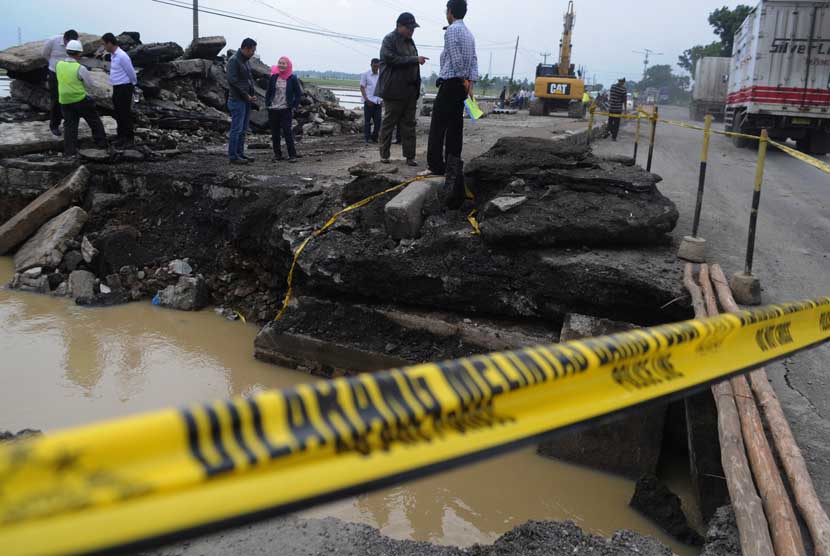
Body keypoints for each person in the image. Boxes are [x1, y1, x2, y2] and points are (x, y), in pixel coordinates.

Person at [426, 0, 478, 184]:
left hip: (451, 84)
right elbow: (473, 61)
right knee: (455, 127)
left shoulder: (452, 31)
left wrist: (462, 78)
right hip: (462, 86)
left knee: (438, 126)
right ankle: (453, 165)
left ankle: (436, 166)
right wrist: (469, 83)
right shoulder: (469, 34)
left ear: (450, 11)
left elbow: (456, 60)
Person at [375, 12, 428, 166]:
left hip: (410, 91)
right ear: (399, 26)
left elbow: (413, 65)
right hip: (393, 91)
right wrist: (414, 60)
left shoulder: (410, 42)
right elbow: (391, 59)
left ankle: (410, 156)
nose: (412, 31)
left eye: (413, 28)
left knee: (409, 125)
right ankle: (384, 155)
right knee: (389, 123)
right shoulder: (389, 40)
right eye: (409, 28)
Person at [56, 40, 108, 158]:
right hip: (79, 99)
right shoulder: (80, 68)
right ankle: (101, 143)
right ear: (79, 53)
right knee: (94, 120)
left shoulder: (58, 65)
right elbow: (89, 85)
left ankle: (69, 151)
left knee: (69, 125)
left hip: (64, 100)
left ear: (67, 51)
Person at [102, 33, 137, 148]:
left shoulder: (122, 56)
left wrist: (133, 85)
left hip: (124, 87)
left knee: (125, 113)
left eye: (104, 44)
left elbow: (131, 72)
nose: (104, 47)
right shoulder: (113, 55)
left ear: (110, 43)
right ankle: (121, 136)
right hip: (117, 87)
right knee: (118, 112)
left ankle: (129, 138)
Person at [265, 56, 302, 163]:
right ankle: (277, 155)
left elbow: (298, 93)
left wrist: (294, 105)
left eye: (283, 63)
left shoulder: (292, 78)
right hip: (273, 109)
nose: (281, 65)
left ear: (288, 65)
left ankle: (292, 155)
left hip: (286, 109)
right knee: (275, 133)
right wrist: (267, 104)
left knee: (287, 131)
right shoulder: (273, 77)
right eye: (279, 63)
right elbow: (268, 92)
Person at [227, 38, 258, 165]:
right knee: (236, 129)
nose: (253, 53)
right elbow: (233, 82)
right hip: (237, 100)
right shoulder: (234, 61)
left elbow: (248, 80)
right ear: (246, 48)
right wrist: (246, 95)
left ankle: (240, 153)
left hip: (245, 101)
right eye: (252, 50)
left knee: (243, 129)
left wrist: (251, 95)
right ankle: (233, 156)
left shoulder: (245, 61)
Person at [42, 29, 79, 136]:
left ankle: (69, 123)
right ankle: (54, 125)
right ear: (65, 39)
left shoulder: (76, 44)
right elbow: (45, 54)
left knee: (70, 98)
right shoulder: (53, 41)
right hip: (54, 73)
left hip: (69, 74)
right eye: (69, 43)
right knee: (56, 99)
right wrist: (53, 64)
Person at [360, 58, 382, 144]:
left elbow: (382, 87)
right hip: (368, 101)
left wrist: (382, 99)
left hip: (377, 101)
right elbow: (362, 87)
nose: (376, 68)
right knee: (367, 122)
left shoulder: (381, 75)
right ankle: (367, 138)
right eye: (374, 66)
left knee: (378, 122)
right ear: (371, 65)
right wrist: (366, 99)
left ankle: (374, 137)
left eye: (377, 66)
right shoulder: (365, 74)